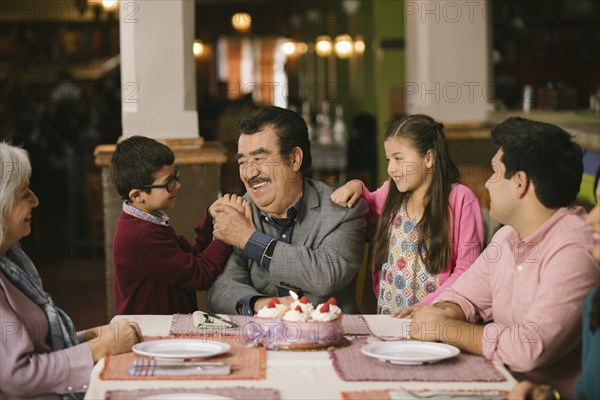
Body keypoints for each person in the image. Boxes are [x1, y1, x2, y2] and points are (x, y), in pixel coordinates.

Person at [407, 117, 600, 394]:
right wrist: (443, 314)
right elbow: (463, 296)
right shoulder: (507, 236)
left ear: (520, 182)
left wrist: (447, 329)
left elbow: (528, 348)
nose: (487, 183)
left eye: (495, 172)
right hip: (498, 380)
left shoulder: (575, 250)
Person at [0, 142, 142, 399]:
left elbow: (38, 344)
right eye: (24, 194)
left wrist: (87, 337)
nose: (35, 200)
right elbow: (19, 377)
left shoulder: (10, 260)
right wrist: (98, 347)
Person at [206, 106, 368, 315]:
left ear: (294, 159)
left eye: (259, 158)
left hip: (331, 339)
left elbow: (325, 275)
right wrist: (261, 305)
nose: (249, 173)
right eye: (242, 162)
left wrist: (249, 239)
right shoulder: (237, 212)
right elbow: (220, 287)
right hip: (259, 337)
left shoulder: (343, 210)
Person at [330, 114, 483, 314]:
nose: (391, 169)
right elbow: (366, 202)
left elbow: (467, 270)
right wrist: (356, 184)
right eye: (388, 159)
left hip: (433, 319)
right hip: (389, 318)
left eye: (398, 159)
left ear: (428, 158)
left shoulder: (461, 199)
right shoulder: (391, 193)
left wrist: (424, 308)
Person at [110, 136, 241, 315]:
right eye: (169, 182)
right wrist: (226, 235)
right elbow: (200, 275)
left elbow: (194, 257)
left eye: (176, 176)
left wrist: (211, 217)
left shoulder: (149, 222)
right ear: (138, 195)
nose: (177, 185)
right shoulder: (140, 237)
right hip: (153, 333)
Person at [509, 168, 600, 400]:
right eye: (597, 202)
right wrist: (550, 397)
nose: (591, 218)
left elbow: (530, 350)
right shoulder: (596, 303)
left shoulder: (572, 251)